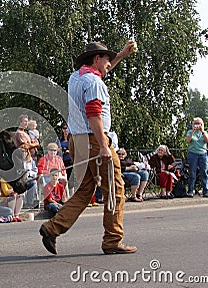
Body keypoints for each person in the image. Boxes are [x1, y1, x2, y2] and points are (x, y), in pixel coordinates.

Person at [39, 40, 138, 255]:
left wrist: (120, 54)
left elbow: (101, 73)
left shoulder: (76, 77)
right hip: (95, 140)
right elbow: (94, 113)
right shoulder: (94, 83)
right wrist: (104, 145)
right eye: (106, 59)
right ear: (96, 59)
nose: (109, 63)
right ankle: (112, 240)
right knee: (115, 190)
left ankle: (52, 228)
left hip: (77, 140)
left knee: (84, 190)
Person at [185, 117, 208, 198]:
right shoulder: (190, 132)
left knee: (204, 173)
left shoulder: (204, 132)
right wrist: (193, 131)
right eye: (195, 123)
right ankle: (190, 191)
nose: (197, 125)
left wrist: (202, 131)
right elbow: (188, 140)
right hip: (193, 154)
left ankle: (206, 191)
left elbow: (207, 141)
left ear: (201, 124)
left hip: (203, 154)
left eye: (199, 124)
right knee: (192, 173)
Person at [59, 123, 75, 197]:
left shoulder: (72, 139)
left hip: (70, 160)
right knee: (63, 178)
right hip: (62, 161)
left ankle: (71, 195)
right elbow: (57, 148)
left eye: (66, 128)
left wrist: (69, 151)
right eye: (64, 128)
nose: (65, 130)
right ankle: (63, 195)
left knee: (71, 178)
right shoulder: (59, 140)